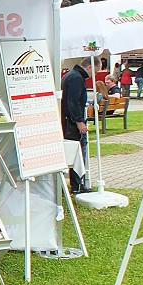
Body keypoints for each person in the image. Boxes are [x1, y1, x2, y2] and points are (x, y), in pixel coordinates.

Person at [61, 57, 91, 192]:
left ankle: (76, 183)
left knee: (74, 150)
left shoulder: (71, 75)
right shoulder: (77, 78)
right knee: (77, 150)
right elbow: (73, 102)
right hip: (72, 121)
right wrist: (79, 121)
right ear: (89, 67)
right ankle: (77, 183)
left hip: (68, 119)